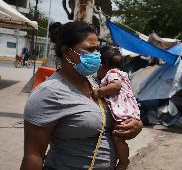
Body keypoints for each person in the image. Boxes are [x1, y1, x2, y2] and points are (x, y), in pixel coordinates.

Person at [20, 21, 143, 170]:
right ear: (66, 52)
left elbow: (118, 113)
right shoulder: (48, 94)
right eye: (89, 50)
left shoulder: (99, 84)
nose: (96, 55)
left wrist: (136, 125)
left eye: (97, 49)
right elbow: (33, 155)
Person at [93, 46, 140, 170]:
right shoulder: (121, 73)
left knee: (117, 137)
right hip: (128, 109)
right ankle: (123, 161)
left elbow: (116, 87)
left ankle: (124, 162)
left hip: (123, 111)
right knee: (118, 137)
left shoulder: (111, 73)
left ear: (102, 65)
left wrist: (98, 92)